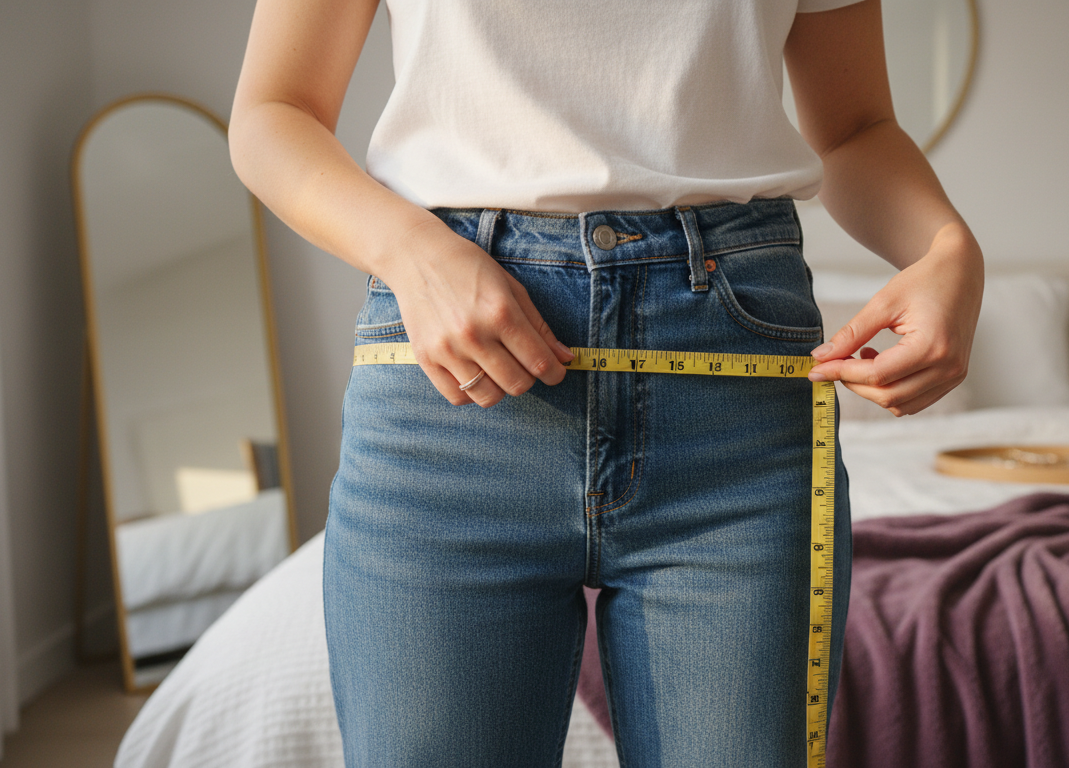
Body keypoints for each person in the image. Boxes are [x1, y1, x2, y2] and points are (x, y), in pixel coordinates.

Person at [230, 0, 983, 765]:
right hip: (448, 380)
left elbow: (855, 130)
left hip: (734, 408)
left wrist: (947, 247)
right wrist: (409, 250)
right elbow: (273, 111)